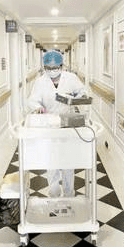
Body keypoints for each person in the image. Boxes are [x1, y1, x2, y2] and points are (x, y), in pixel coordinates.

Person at [26, 49, 86, 198]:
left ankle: (69, 193)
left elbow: (83, 93)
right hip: (49, 122)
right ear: (44, 67)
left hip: (67, 121)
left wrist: (75, 98)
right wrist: (39, 108)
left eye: (55, 67)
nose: (52, 71)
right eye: (48, 68)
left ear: (61, 66)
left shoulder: (71, 78)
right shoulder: (40, 81)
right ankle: (53, 192)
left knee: (68, 162)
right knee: (51, 161)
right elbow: (32, 100)